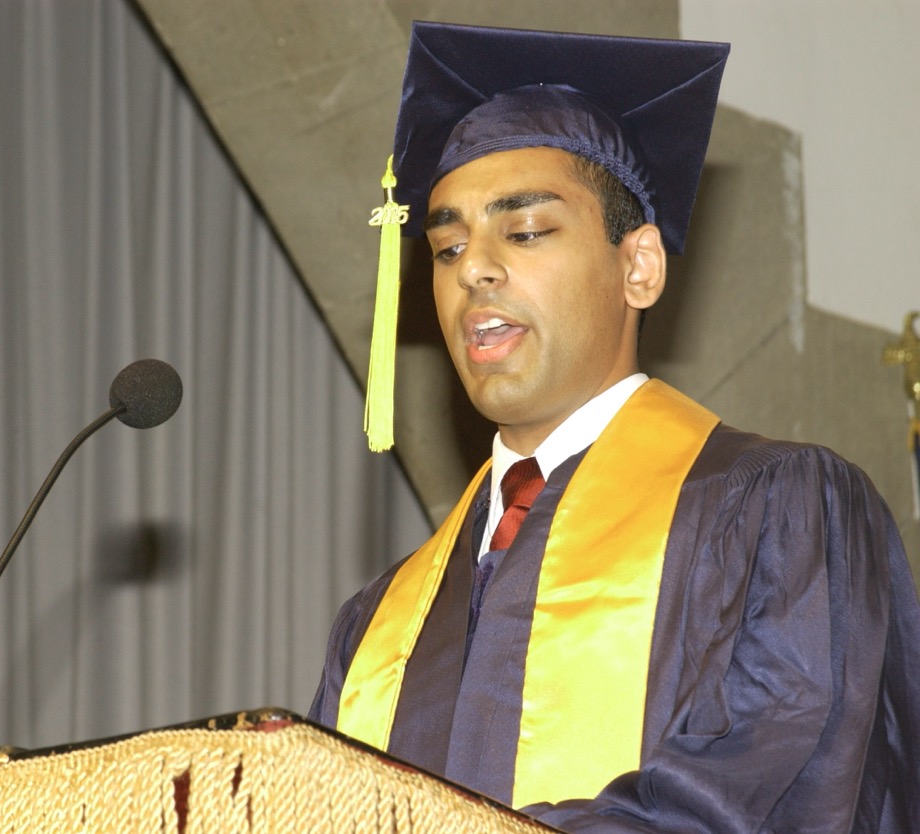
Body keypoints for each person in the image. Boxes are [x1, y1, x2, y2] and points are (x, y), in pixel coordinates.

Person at [309, 21, 920, 833]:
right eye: (447, 247)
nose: (474, 269)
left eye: (524, 232)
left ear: (639, 267)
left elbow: (782, 799)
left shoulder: (780, 513)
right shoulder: (378, 625)